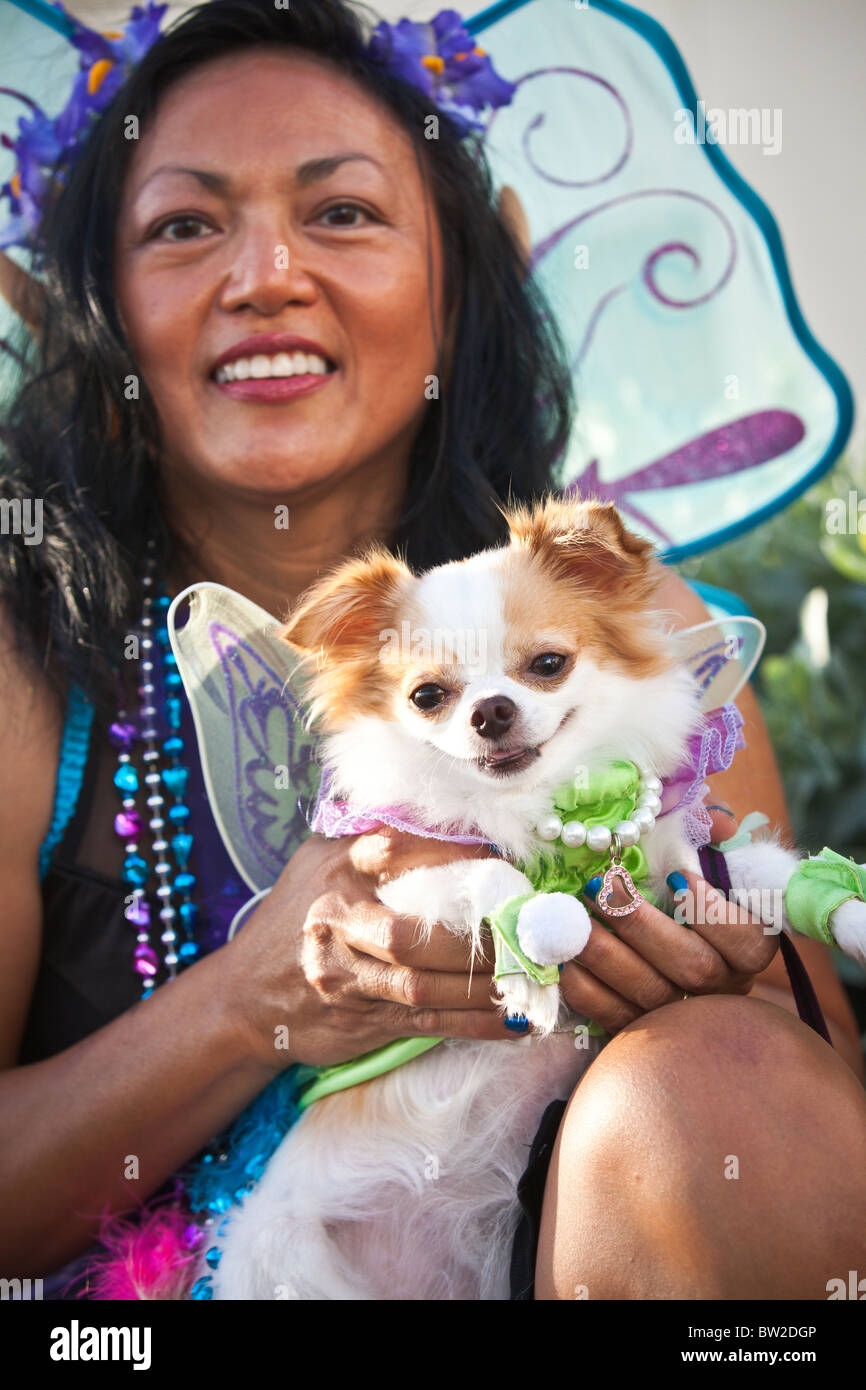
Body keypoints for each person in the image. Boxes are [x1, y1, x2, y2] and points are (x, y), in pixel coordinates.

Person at [0, 0, 864, 1300]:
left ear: (472, 279)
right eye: (184, 225)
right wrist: (253, 1000)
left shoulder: (637, 634)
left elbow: (798, 1114)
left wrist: (704, 978)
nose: (264, 274)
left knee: (725, 1077)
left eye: (341, 211)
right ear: (88, 310)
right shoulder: (26, 661)